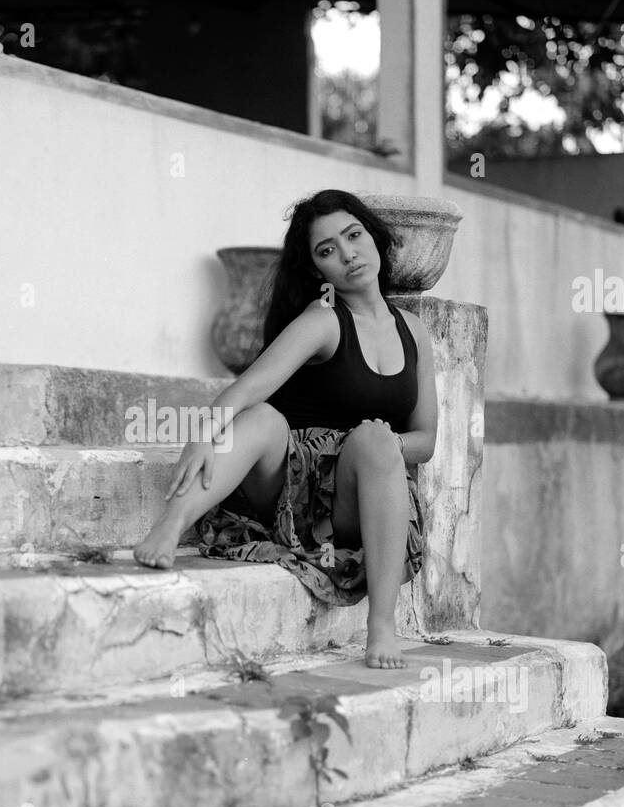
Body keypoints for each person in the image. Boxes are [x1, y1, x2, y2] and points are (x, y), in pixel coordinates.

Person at [134, 189, 436, 668]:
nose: (347, 254)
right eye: (327, 250)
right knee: (263, 418)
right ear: (319, 270)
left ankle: (382, 625)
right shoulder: (323, 320)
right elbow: (247, 389)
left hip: (355, 500)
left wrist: (383, 443)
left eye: (353, 236)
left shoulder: (414, 332)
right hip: (291, 493)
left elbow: (427, 441)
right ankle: (172, 523)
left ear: (374, 238)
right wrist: (202, 434)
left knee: (377, 439)